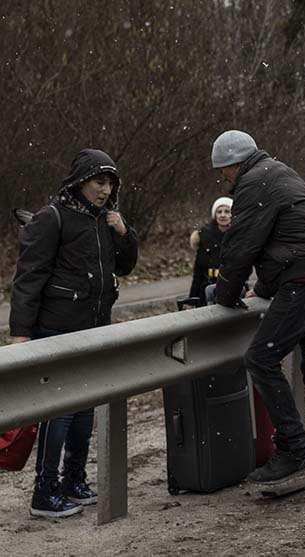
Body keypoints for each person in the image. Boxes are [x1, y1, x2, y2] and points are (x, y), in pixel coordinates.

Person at [211, 130, 305, 497]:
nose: (225, 180)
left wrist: (225, 296)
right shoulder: (282, 172)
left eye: (224, 172)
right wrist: (266, 288)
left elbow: (242, 245)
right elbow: (288, 237)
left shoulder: (252, 182)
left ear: (233, 165)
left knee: (260, 359)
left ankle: (293, 450)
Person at [9, 149, 138, 518]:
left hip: (94, 328)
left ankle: (74, 481)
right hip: (56, 328)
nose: (105, 188)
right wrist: (20, 333)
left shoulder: (104, 220)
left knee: (84, 409)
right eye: (100, 181)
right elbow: (28, 277)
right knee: (60, 411)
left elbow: (126, 266)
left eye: (110, 182)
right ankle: (44, 492)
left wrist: (123, 231)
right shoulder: (52, 218)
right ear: (80, 181)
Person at [186, 196, 233, 307]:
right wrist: (191, 299)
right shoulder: (205, 236)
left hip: (232, 288)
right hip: (206, 289)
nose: (222, 215)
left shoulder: (239, 236)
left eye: (227, 211)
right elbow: (198, 272)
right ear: (214, 215)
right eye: (219, 211)